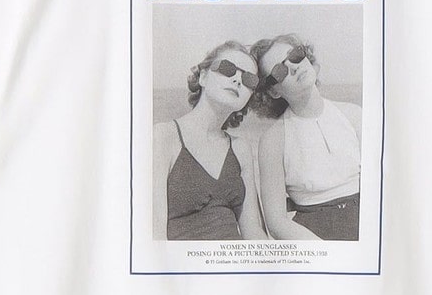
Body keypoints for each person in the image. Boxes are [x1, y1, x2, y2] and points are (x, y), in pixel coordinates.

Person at [249, 34, 362, 241]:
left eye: (295, 55)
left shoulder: (354, 115)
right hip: (314, 236)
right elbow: (277, 223)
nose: (293, 67)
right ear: (273, 92)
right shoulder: (273, 140)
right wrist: (325, 252)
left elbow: (381, 186)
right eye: (279, 71)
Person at [153, 41, 266, 241]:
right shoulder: (164, 136)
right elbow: (155, 234)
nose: (237, 80)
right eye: (227, 68)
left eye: (249, 79)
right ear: (203, 77)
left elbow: (253, 232)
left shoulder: (240, 149)